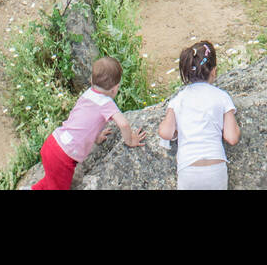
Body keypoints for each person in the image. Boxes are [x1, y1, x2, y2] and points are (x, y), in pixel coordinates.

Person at [32, 55, 145, 190]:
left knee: (52, 179)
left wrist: (96, 137)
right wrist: (130, 140)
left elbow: (83, 120)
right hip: (64, 157)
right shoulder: (107, 103)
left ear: (91, 80)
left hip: (52, 143)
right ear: (115, 89)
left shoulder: (87, 94)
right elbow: (124, 124)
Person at [158, 40, 240, 191]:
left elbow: (165, 132)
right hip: (215, 169)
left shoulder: (178, 100)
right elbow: (232, 137)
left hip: (188, 169)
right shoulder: (222, 97)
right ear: (214, 71)